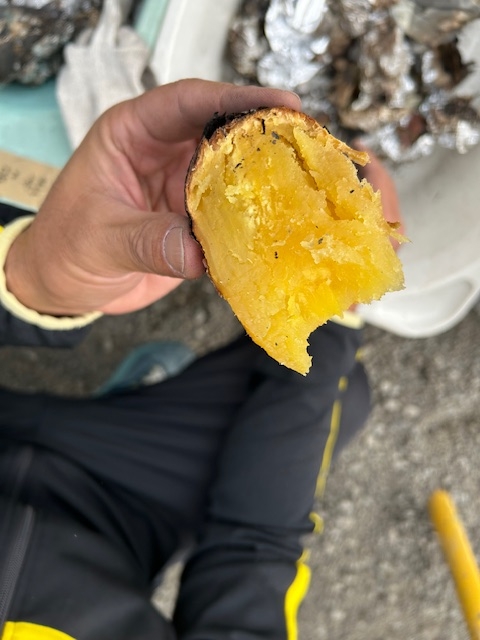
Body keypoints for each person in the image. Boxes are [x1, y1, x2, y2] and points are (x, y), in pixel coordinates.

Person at [0, 79, 402, 640]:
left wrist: (27, 283)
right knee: (339, 390)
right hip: (124, 520)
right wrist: (327, 312)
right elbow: (249, 562)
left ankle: (130, 401)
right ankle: (134, 402)